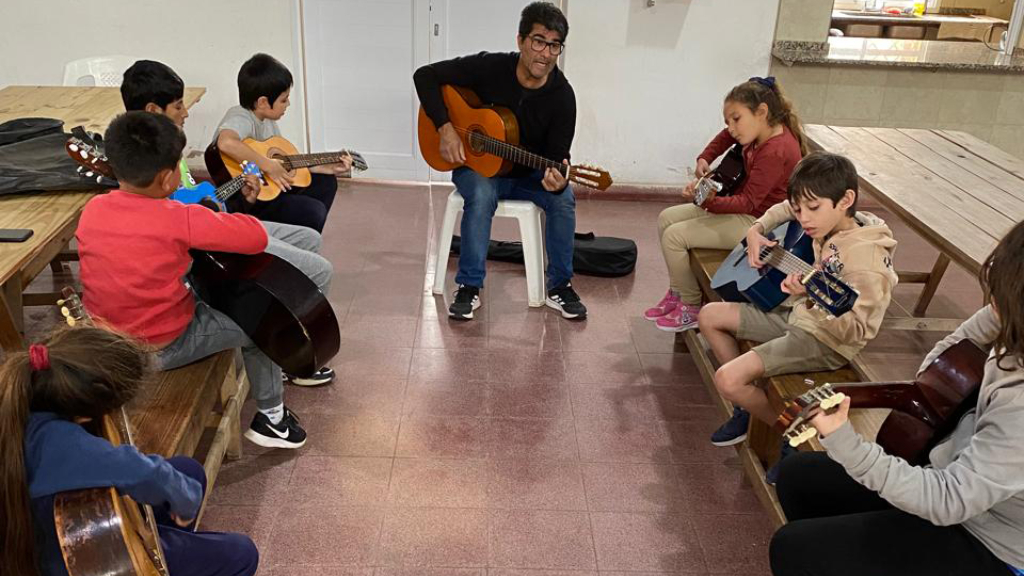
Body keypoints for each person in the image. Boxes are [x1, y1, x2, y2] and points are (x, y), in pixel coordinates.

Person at [770, 219, 1024, 576]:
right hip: (963, 488)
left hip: (994, 544)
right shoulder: (1011, 328)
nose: (993, 300)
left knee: (795, 549)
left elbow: (946, 500)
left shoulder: (1020, 407)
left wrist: (845, 442)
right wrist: (1000, 312)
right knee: (800, 477)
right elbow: (941, 363)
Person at [76, 111, 312, 448]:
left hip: (106, 336)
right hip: (159, 347)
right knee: (263, 323)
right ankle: (272, 420)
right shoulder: (178, 218)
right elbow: (255, 238)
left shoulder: (93, 211)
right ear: (166, 178)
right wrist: (207, 213)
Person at [120, 59, 336, 386]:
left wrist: (241, 194)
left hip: (218, 222)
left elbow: (198, 198)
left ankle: (287, 331)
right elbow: (183, 218)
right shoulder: (146, 162)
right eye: (179, 106)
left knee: (309, 239)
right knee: (319, 268)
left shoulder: (169, 148)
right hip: (213, 244)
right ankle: (294, 357)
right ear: (153, 109)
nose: (187, 112)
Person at [0, 325, 258, 576]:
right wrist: (186, 500)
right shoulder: (67, 446)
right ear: (83, 415)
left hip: (39, 535)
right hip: (69, 561)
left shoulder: (18, 410)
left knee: (187, 470)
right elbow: (146, 474)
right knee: (241, 554)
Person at [697, 152, 897, 460]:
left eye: (813, 208)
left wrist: (811, 296)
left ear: (845, 200)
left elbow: (856, 330)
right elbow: (783, 208)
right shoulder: (826, 221)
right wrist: (756, 230)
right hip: (799, 316)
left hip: (826, 340)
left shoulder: (866, 261)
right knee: (709, 316)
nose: (803, 218)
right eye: (799, 208)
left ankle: (793, 435)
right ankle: (747, 408)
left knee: (727, 379)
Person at [413, 1, 586, 321]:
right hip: (477, 167)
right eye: (538, 41)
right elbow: (424, 75)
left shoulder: (563, 97)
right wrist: (446, 128)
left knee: (564, 198)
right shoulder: (489, 67)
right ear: (520, 40)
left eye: (554, 46)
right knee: (481, 193)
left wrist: (557, 178)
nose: (545, 53)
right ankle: (469, 285)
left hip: (527, 175)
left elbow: (555, 158)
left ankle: (560, 285)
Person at [644, 76, 806, 332]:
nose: (731, 128)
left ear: (762, 112)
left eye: (736, 119)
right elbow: (724, 138)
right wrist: (704, 158)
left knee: (675, 237)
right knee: (666, 218)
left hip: (762, 225)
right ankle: (677, 292)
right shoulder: (758, 130)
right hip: (746, 213)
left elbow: (748, 202)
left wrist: (708, 202)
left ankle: (690, 305)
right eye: (728, 121)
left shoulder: (776, 150)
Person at [213, 53, 351, 233]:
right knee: (312, 212)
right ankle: (292, 246)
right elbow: (226, 143)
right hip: (249, 197)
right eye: (283, 100)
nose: (288, 104)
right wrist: (268, 165)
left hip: (271, 187)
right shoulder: (240, 116)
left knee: (326, 182)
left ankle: (305, 240)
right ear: (263, 102)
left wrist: (324, 167)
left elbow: (284, 163)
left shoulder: (268, 121)